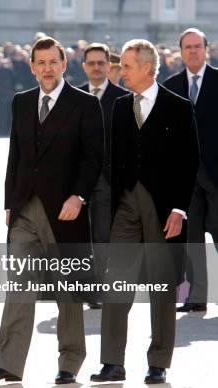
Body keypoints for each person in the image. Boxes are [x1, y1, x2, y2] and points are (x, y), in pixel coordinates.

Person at [0, 36, 104, 385]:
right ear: (32, 67)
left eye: (54, 62)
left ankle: (69, 362)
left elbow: (93, 157)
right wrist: (9, 202)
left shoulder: (84, 104)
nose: (48, 69)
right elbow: (15, 156)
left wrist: (78, 197)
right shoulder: (20, 102)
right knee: (18, 284)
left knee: (67, 290)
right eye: (41, 63)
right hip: (24, 209)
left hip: (65, 211)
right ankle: (8, 363)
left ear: (64, 65)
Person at [90, 39, 198, 384]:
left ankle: (159, 362)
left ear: (148, 68)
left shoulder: (178, 107)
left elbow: (189, 162)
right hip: (125, 208)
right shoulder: (120, 107)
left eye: (127, 67)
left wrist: (179, 209)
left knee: (162, 289)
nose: (121, 71)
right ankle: (112, 363)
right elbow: (112, 160)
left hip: (163, 210)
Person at [164, 28, 218, 313]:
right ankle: (197, 296)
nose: (193, 51)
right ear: (181, 52)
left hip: (216, 175)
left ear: (206, 49)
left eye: (198, 46)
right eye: (188, 47)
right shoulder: (171, 86)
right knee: (192, 237)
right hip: (186, 178)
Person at [79, 43, 129, 309]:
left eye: (101, 63)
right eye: (92, 63)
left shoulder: (123, 98)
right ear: (84, 66)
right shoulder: (73, 97)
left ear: (109, 66)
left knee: (101, 233)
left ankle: (98, 286)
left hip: (108, 179)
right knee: (80, 234)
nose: (97, 68)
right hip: (77, 180)